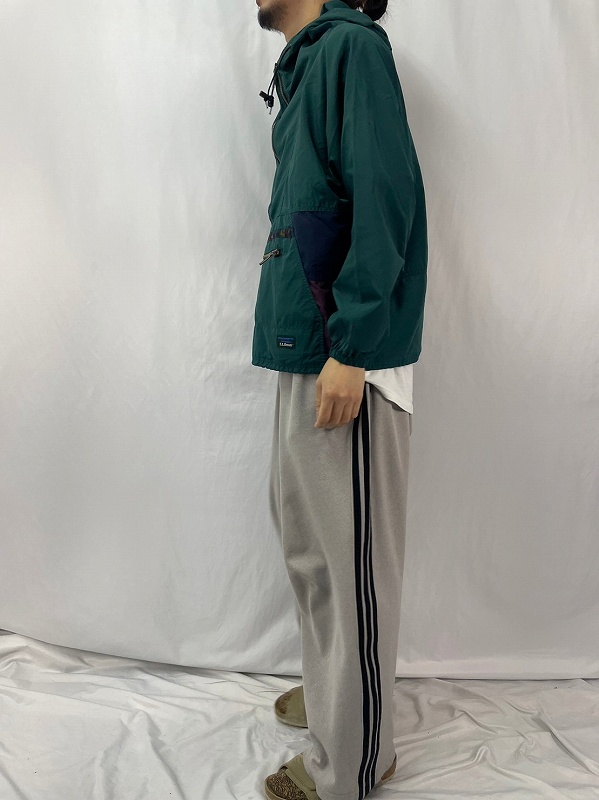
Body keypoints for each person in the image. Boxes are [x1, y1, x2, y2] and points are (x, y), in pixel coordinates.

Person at [254, 1, 428, 798]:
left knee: (348, 562)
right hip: (306, 344)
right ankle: (338, 694)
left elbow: (384, 196)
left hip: (342, 354)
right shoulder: (308, 65)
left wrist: (352, 349)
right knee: (311, 549)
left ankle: (353, 758)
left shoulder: (351, 49)